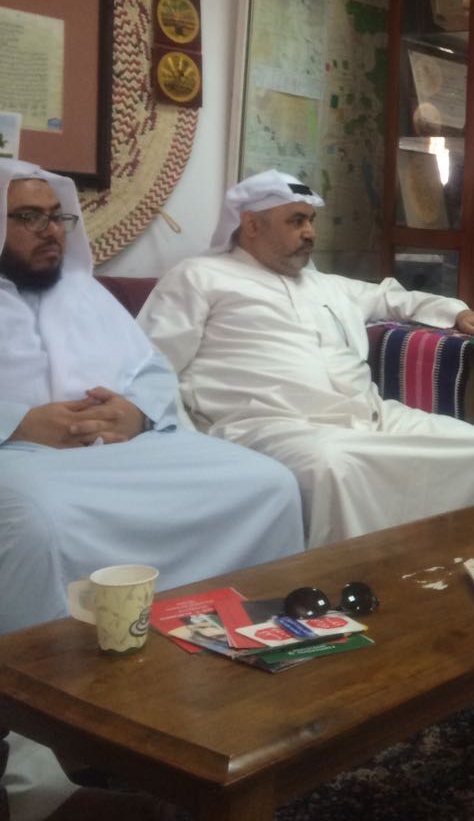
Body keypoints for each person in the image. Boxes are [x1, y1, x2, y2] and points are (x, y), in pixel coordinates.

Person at [0, 161, 304, 820]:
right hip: (18, 457)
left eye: (56, 217)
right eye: (27, 218)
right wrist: (17, 421)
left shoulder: (83, 293)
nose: (50, 231)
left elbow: (152, 369)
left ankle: (245, 695)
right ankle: (40, 758)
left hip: (127, 451)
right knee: (38, 521)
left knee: (267, 484)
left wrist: (136, 412)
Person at [137, 170, 474, 547]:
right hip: (271, 426)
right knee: (332, 463)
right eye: (296, 221)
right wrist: (177, 437)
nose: (310, 232)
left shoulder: (324, 284)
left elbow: (391, 297)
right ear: (251, 225)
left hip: (370, 416)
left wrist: (459, 312)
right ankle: (352, 572)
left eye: (311, 220)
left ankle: (460, 559)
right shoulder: (199, 276)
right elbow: (149, 359)